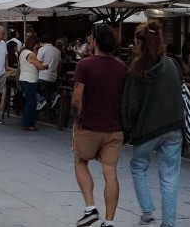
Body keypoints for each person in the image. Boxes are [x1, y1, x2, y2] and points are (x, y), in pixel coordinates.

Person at [121, 20, 184, 227]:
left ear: (139, 44)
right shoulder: (172, 65)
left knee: (138, 166)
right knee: (170, 176)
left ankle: (147, 210)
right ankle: (168, 223)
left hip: (147, 129)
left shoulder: (136, 71)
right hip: (173, 126)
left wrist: (127, 128)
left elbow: (130, 105)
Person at [71, 23, 129, 227]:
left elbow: (77, 96)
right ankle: (109, 221)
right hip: (114, 127)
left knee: (80, 162)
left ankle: (90, 207)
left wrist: (78, 119)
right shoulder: (122, 67)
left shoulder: (84, 65)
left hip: (89, 125)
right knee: (110, 171)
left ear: (94, 41)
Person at [17, 36, 46, 131]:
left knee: (29, 102)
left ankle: (28, 123)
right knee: (31, 103)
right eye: (37, 44)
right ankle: (28, 124)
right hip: (30, 80)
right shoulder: (31, 54)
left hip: (23, 79)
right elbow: (40, 66)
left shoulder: (23, 53)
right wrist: (46, 66)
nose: (38, 46)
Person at [35, 34, 62, 119]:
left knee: (29, 86)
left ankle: (41, 100)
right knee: (45, 88)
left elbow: (37, 63)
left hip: (43, 77)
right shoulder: (57, 51)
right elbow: (60, 65)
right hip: (53, 78)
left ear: (40, 43)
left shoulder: (42, 49)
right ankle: (53, 97)